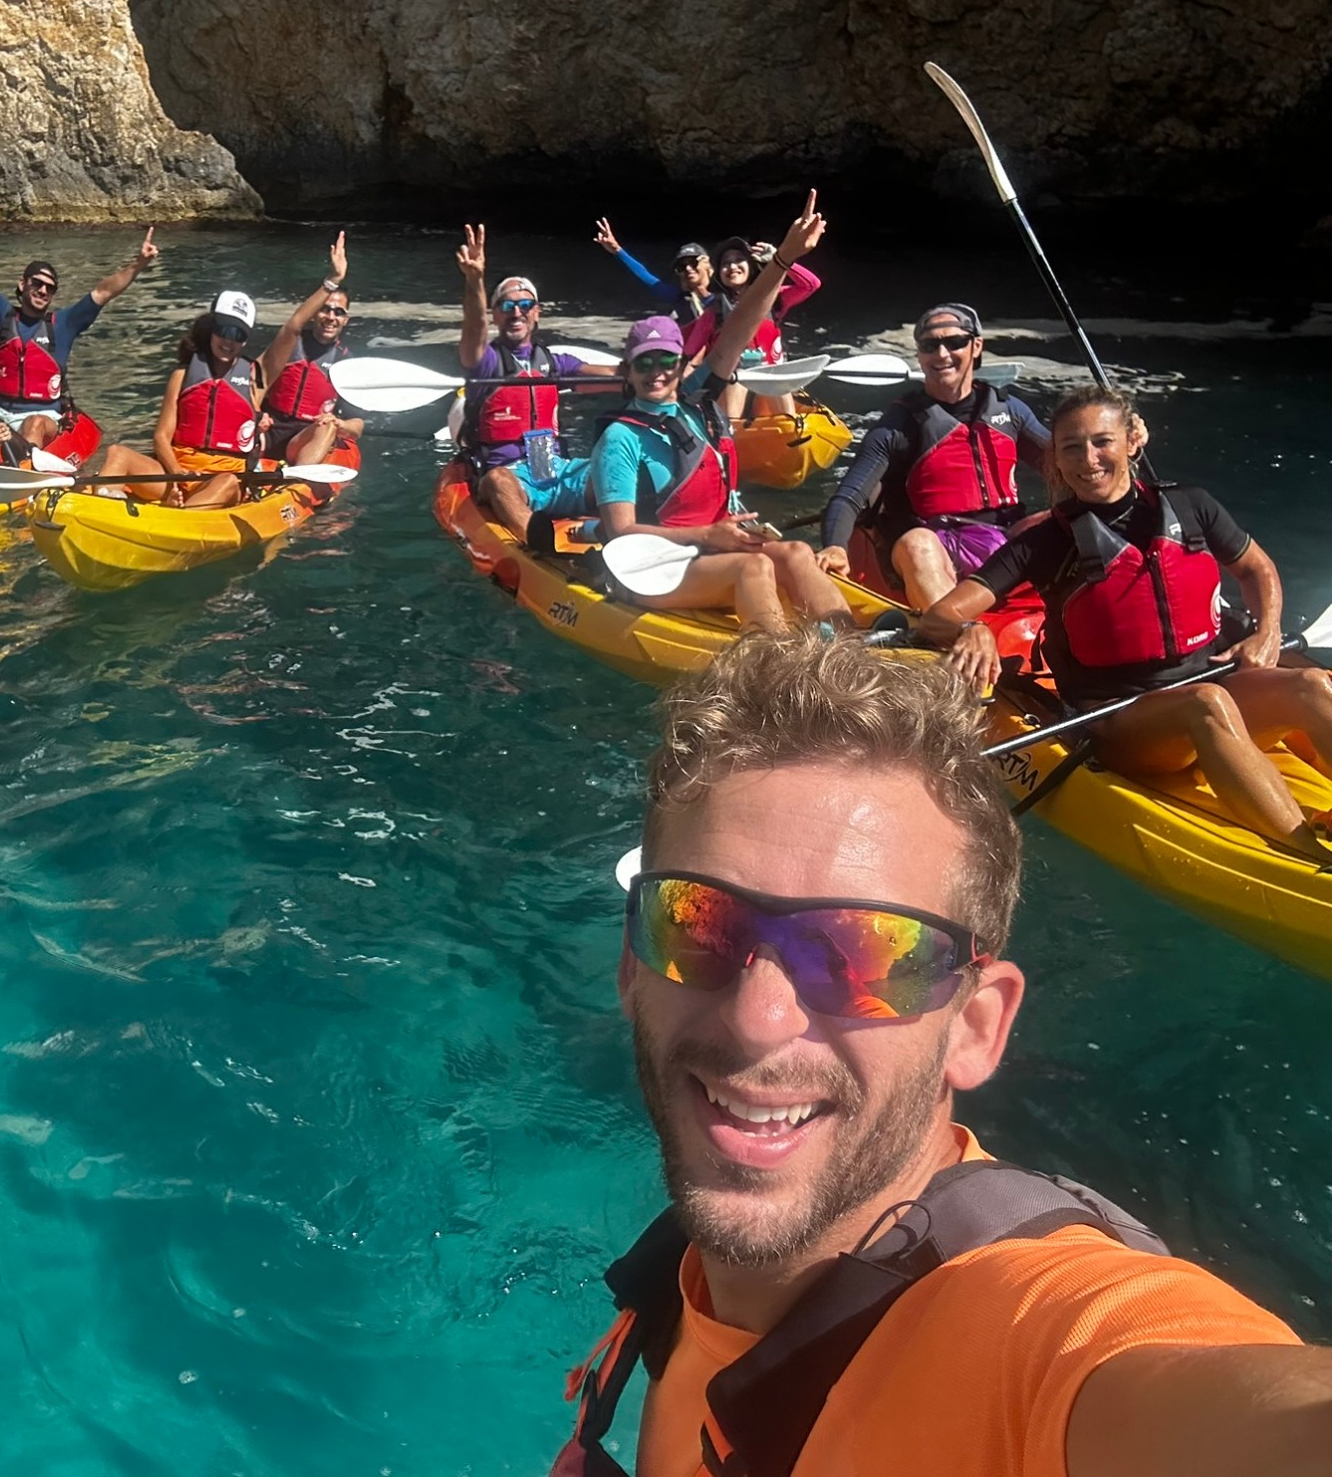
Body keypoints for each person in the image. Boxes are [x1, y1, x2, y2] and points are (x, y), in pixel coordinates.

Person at [554, 629, 1331, 1477]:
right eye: (699, 923)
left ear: (976, 1027)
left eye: (864, 953)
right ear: (632, 962)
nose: (758, 1018)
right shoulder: (690, 1272)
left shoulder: (1033, 1337)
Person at [921, 386, 1332, 861]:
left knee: (1310, 683)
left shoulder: (1191, 506)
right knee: (1207, 702)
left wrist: (1267, 631)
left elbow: (1257, 569)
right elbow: (941, 615)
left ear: (1133, 439)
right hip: (1120, 723)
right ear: (1056, 456)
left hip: (1207, 690)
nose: (1088, 459)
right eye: (1071, 447)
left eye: (1102, 442)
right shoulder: (1045, 543)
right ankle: (1310, 856)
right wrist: (971, 629)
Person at [490, 196, 851, 636]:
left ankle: (855, 651)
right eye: (643, 363)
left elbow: (740, 327)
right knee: (753, 568)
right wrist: (707, 536)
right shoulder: (620, 439)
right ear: (627, 372)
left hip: (708, 548)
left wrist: (783, 260)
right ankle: (783, 677)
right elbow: (622, 532)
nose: (655, 372)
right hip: (647, 564)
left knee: (794, 552)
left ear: (682, 366)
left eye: (665, 362)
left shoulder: (699, 403)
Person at [814, 304, 1051, 608]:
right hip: (937, 544)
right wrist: (835, 546)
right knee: (917, 543)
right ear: (919, 355)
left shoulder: (1010, 410)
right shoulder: (898, 424)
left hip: (1005, 541)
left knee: (1074, 515)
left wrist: (1126, 449)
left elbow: (1070, 467)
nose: (941, 354)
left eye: (954, 342)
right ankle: (951, 632)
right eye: (930, 345)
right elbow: (848, 497)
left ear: (976, 346)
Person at [0, 197, 158, 440]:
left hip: (43, 415)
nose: (43, 290)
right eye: (37, 283)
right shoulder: (1, 314)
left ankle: (24, 472)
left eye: (50, 287)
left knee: (33, 424)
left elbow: (103, 292)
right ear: (22, 284)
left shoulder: (64, 324)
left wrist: (138, 264)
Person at [455, 226, 619, 506]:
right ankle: (534, 541)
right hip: (509, 475)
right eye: (506, 306)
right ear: (494, 315)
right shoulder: (486, 363)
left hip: (552, 469)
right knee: (497, 482)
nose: (516, 313)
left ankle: (613, 531)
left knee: (615, 469)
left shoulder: (554, 363)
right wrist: (475, 281)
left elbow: (619, 377)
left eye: (525, 305)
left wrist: (664, 369)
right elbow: (474, 330)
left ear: (537, 313)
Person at [86, 290, 272, 511]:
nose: (228, 340)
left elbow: (292, 330)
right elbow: (161, 437)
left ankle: (178, 517)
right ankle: (102, 510)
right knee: (118, 453)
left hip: (219, 480)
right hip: (177, 472)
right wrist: (177, 474)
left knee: (229, 482)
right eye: (223, 330)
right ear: (211, 328)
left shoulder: (252, 379)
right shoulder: (183, 376)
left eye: (238, 335)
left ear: (245, 341)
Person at [680, 233, 821, 420]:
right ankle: (730, 433)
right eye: (725, 263)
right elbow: (689, 354)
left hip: (770, 381)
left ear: (751, 266)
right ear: (719, 274)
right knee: (735, 381)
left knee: (777, 382)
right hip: (733, 383)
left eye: (739, 260)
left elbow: (811, 284)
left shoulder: (774, 297)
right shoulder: (713, 313)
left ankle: (788, 429)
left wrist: (780, 259)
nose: (732, 267)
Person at [256, 231, 363, 468]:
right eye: (325, 310)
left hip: (306, 438)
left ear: (346, 320)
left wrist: (340, 425)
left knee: (327, 428)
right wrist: (256, 415)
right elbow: (253, 381)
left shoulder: (347, 363)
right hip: (269, 429)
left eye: (339, 313)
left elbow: (358, 423)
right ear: (314, 313)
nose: (331, 317)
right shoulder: (290, 344)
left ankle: (298, 480)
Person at [593, 222, 711, 325]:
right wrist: (617, 250)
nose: (688, 268)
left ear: (706, 263)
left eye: (693, 263)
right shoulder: (680, 298)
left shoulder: (724, 294)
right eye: (681, 267)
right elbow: (645, 276)